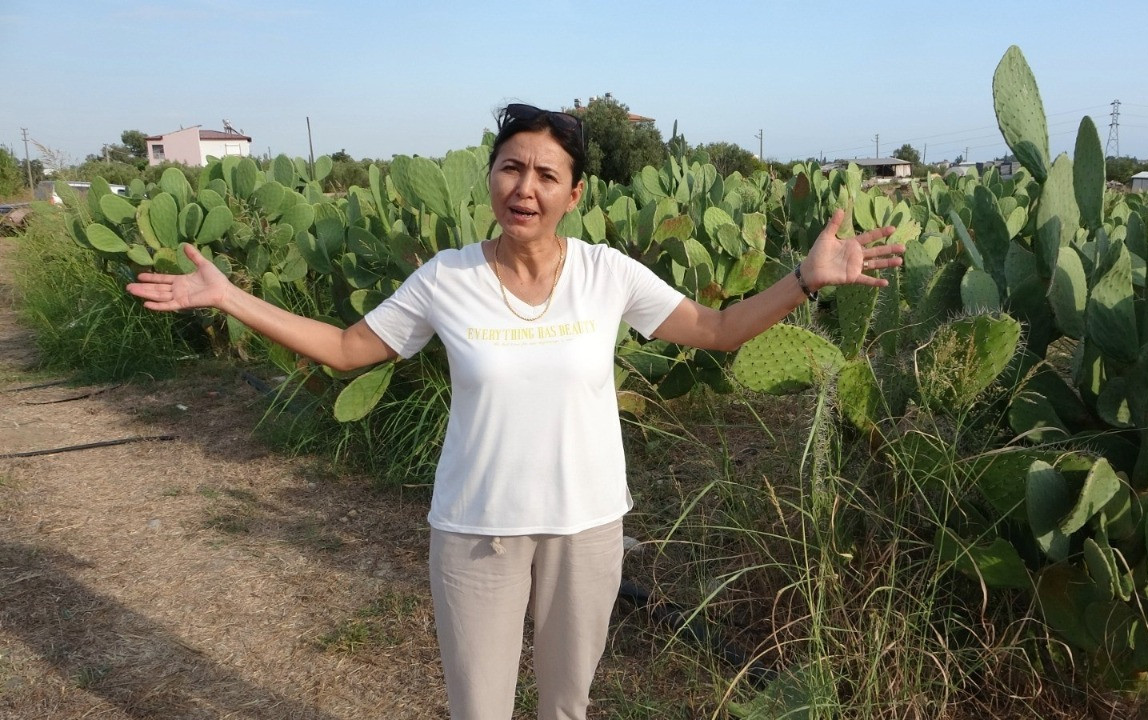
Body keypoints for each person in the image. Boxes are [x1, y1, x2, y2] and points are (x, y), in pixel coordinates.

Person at [126, 102, 905, 720]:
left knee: (567, 707)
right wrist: (230, 297)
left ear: (575, 192)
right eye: (509, 168)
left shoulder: (607, 272)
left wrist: (803, 279)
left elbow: (717, 330)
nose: (523, 187)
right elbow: (343, 346)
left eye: (544, 173)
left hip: (589, 525)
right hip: (476, 529)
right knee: (480, 709)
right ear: (490, 178)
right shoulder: (447, 277)